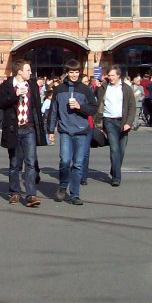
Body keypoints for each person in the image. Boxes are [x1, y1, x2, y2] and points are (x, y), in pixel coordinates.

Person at [0, 60, 49, 206]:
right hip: (14, 129)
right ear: (19, 71)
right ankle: (15, 192)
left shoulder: (31, 85)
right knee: (14, 163)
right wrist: (15, 95)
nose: (30, 72)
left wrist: (41, 128)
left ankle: (31, 194)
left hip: (29, 128)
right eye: (28, 70)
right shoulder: (7, 85)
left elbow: (36, 107)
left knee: (31, 162)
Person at [49, 60, 97, 205]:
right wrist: (50, 130)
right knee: (64, 161)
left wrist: (80, 107)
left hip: (81, 131)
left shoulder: (85, 89)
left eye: (76, 72)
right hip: (65, 130)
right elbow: (53, 111)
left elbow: (93, 108)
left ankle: (75, 194)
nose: (74, 75)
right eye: (71, 72)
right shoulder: (59, 90)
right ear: (67, 73)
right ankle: (63, 185)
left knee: (78, 164)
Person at [93, 65, 136, 186]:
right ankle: (116, 178)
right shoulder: (103, 87)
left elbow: (132, 107)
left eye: (112, 75)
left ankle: (114, 168)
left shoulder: (126, 89)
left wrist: (128, 122)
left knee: (121, 150)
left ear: (118, 75)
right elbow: (99, 104)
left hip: (123, 122)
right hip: (109, 121)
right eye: (109, 75)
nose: (110, 78)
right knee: (114, 149)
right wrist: (99, 124)